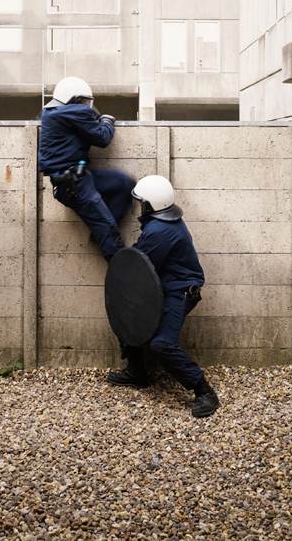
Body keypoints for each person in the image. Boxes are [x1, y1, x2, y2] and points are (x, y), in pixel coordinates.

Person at [107, 175, 221, 418]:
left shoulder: (160, 231)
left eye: (142, 203)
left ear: (151, 205)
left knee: (162, 344)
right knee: (129, 315)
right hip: (166, 287)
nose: (139, 207)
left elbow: (138, 266)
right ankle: (137, 372)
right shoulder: (162, 223)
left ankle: (204, 391)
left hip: (180, 292)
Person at [38, 76, 135, 261]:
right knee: (107, 229)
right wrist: (106, 121)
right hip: (75, 185)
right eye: (83, 101)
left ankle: (101, 236)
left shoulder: (51, 113)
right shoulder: (73, 112)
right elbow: (102, 138)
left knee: (123, 183)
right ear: (73, 99)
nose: (86, 106)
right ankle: (122, 267)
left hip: (76, 179)